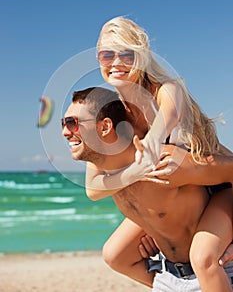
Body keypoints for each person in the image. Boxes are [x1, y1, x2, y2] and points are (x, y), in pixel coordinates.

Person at [88, 16, 233, 291]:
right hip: (183, 199)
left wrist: (152, 141)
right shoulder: (113, 110)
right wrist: (153, 224)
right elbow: (93, 189)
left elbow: (170, 114)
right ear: (98, 58)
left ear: (141, 57)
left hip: (221, 188)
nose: (116, 63)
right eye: (107, 54)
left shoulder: (167, 88)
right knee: (115, 254)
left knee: (203, 258)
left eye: (127, 55)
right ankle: (173, 282)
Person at [61, 86, 233, 291]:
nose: (65, 132)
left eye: (72, 123)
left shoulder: (164, 161)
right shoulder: (104, 171)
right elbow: (92, 191)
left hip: (217, 270)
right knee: (114, 254)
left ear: (105, 127)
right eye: (63, 123)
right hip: (168, 276)